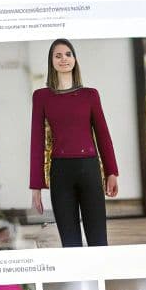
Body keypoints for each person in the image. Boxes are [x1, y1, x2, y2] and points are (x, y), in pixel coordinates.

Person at [28, 39, 119, 246]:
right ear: (51, 61)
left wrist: (112, 172)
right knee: (70, 244)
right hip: (61, 174)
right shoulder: (41, 97)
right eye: (58, 55)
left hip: (90, 170)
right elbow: (37, 142)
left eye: (68, 54)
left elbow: (103, 135)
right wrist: (36, 186)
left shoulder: (90, 95)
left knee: (98, 241)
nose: (64, 59)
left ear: (75, 59)